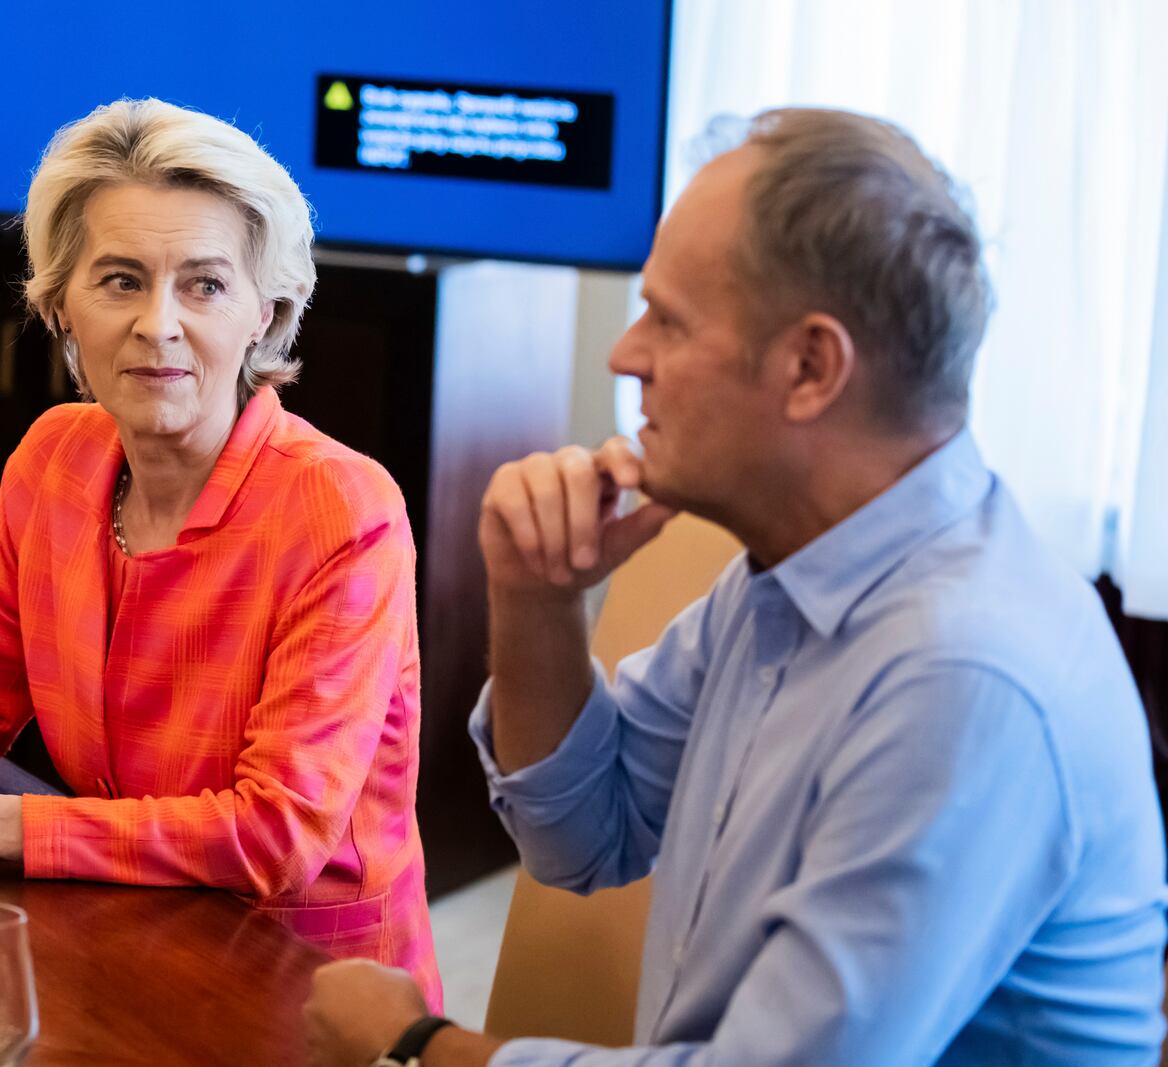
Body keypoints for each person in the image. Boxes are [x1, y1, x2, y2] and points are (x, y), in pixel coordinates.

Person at [303, 108, 1166, 1065]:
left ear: (810, 368)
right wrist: (537, 596)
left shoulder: (963, 672)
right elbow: (584, 836)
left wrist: (416, 1047)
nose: (623, 356)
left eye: (666, 321)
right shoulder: (791, 570)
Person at [0, 97, 440, 1007]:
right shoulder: (55, 459)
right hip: (110, 945)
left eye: (205, 284)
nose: (159, 323)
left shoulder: (340, 508)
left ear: (266, 313)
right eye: (119, 279)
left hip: (306, 999)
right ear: (60, 303)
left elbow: (277, 835)